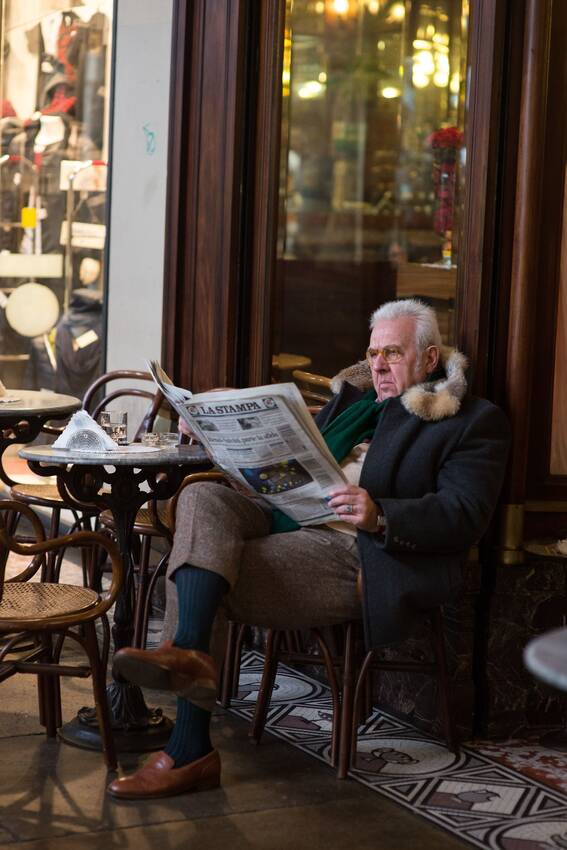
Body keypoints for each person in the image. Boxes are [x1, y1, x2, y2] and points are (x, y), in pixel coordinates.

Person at [107, 299, 510, 800]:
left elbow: (465, 514)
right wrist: (228, 445)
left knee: (203, 574)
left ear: (429, 359)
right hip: (289, 517)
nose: (379, 364)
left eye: (393, 353)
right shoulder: (358, 404)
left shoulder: (470, 421)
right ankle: (188, 666)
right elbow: (292, 466)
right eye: (373, 352)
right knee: (203, 496)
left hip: (359, 551)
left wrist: (381, 513)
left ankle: (188, 745)